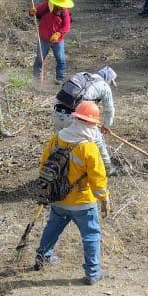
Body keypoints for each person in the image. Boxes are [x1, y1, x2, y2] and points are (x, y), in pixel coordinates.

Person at [33, 100, 110, 285]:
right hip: (82, 202)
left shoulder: (58, 137)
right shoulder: (88, 147)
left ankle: (42, 258)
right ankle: (93, 273)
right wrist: (104, 198)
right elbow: (98, 178)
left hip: (57, 198)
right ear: (92, 123)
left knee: (53, 227)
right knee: (91, 234)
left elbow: (44, 164)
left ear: (75, 118)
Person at [53, 67, 118, 170]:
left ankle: (54, 167)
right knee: (98, 142)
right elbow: (109, 110)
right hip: (76, 117)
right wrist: (106, 126)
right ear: (108, 79)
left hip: (57, 112)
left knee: (59, 142)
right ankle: (107, 168)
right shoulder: (104, 86)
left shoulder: (82, 76)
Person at [29, 0, 74, 84]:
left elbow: (66, 26)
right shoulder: (47, 5)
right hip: (43, 38)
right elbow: (36, 12)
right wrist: (32, 12)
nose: (61, 7)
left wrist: (58, 33)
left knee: (60, 59)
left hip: (57, 40)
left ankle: (60, 78)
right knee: (40, 59)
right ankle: (37, 79)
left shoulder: (64, 12)